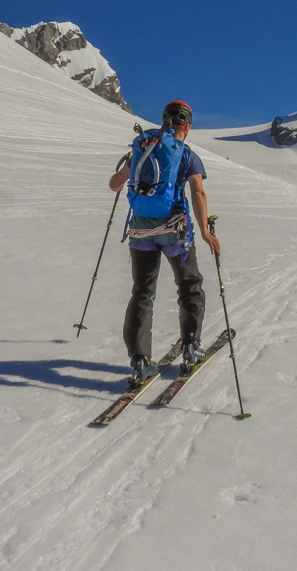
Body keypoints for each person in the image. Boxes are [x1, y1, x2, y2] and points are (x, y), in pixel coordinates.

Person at [109, 100, 221, 385]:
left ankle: (140, 362)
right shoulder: (185, 154)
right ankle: (191, 348)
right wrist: (207, 232)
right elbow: (198, 193)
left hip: (139, 232)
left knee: (143, 292)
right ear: (188, 126)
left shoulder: (144, 147)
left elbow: (114, 184)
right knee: (189, 285)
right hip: (175, 232)